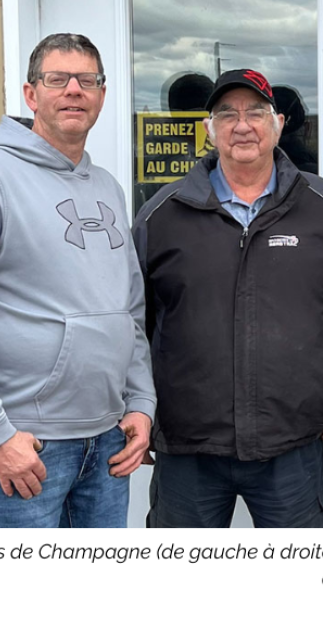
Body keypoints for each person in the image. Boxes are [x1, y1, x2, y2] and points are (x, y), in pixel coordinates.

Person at [134, 68, 323, 529]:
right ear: (208, 129)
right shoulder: (161, 214)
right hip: (187, 448)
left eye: (256, 112)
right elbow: (133, 323)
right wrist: (138, 409)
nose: (243, 125)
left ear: (278, 123)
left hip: (291, 447)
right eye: (227, 113)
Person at [0, 33, 156, 530]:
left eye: (87, 80)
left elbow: (128, 310)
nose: (73, 90)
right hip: (28, 447)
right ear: (30, 94)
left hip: (108, 440)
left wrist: (141, 403)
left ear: (102, 96)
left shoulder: (107, 186)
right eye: (57, 79)